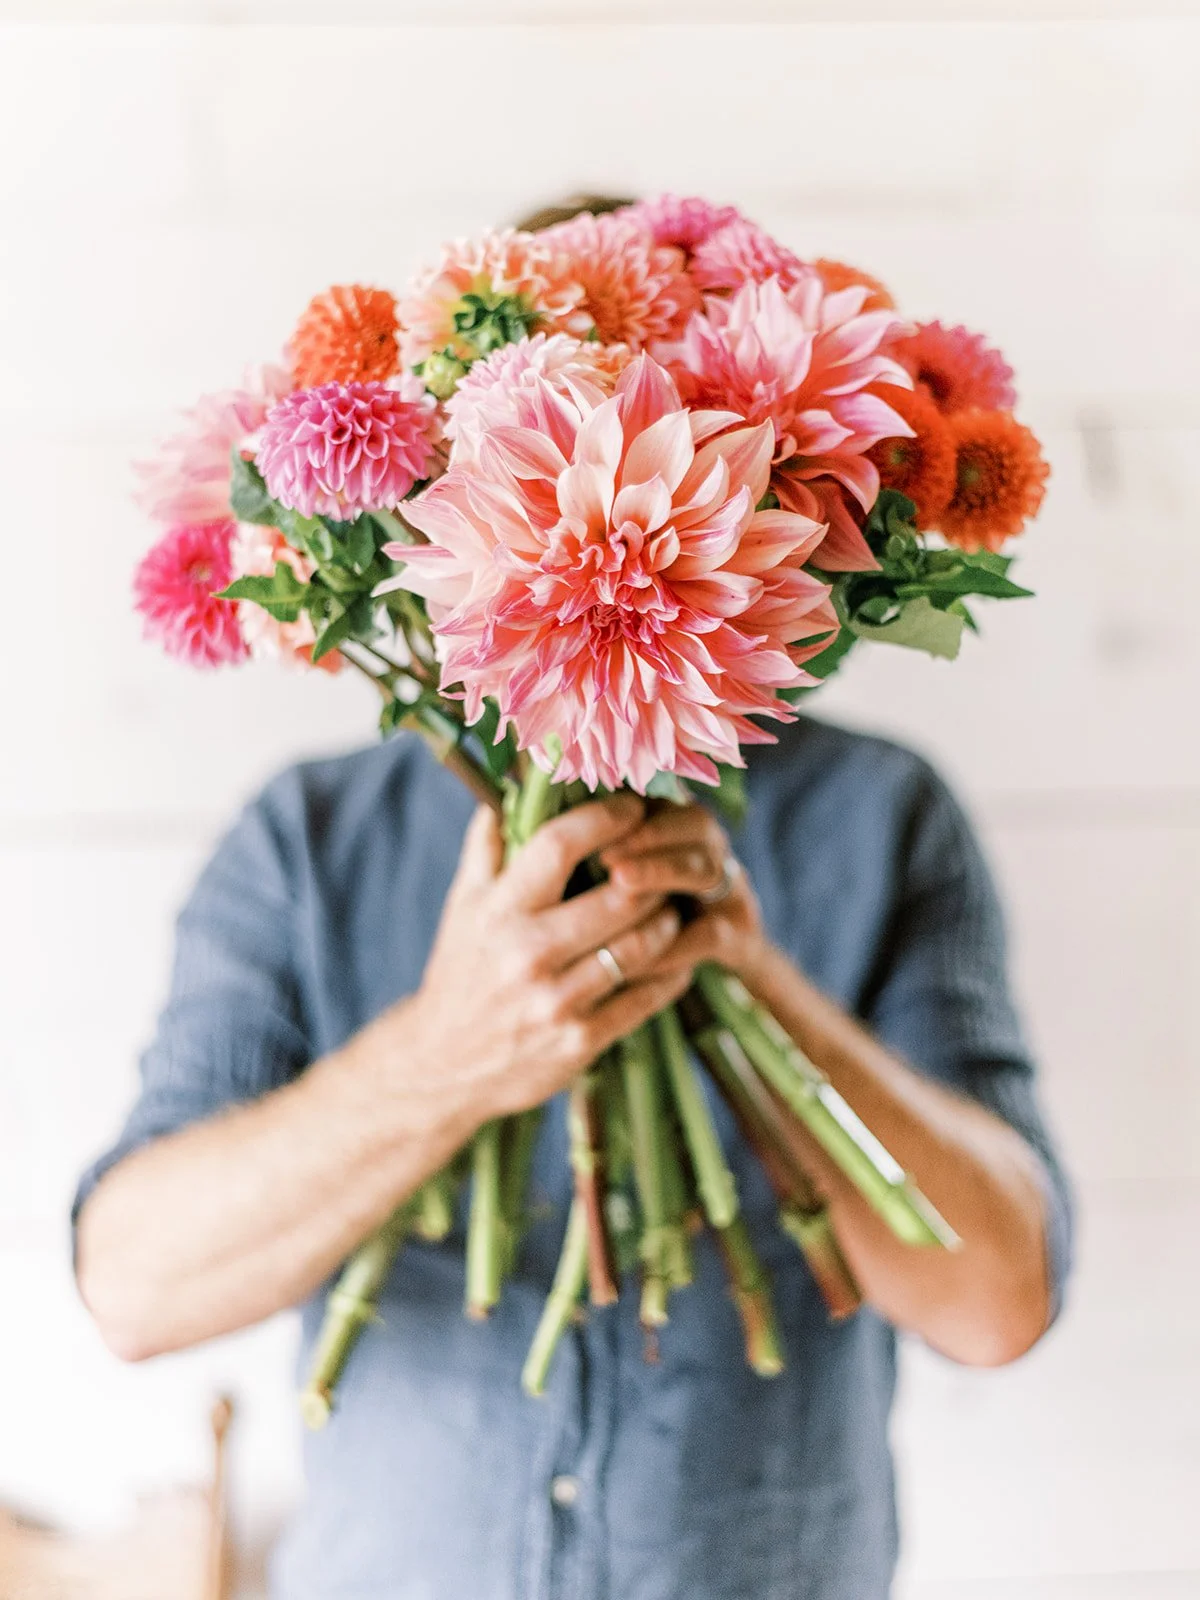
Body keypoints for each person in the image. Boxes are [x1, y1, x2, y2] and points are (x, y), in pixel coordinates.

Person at [73, 202, 1072, 1600]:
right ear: (434, 496)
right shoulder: (304, 839)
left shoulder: (884, 816)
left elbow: (997, 1300)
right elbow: (129, 1285)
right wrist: (444, 1055)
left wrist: (746, 972)